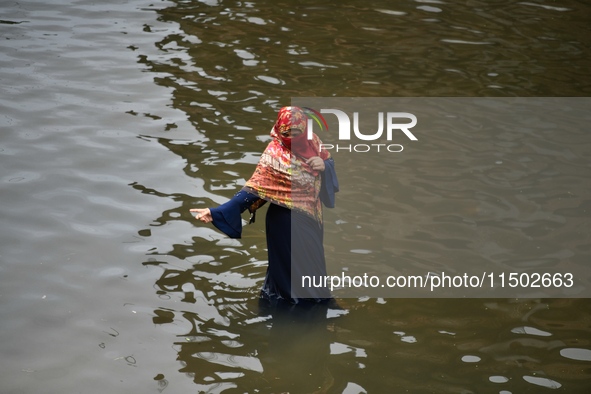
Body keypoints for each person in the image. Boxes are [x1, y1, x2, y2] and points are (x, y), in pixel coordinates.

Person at [191, 106, 338, 304]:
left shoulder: (315, 142)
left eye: (297, 133)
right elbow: (255, 188)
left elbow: (329, 162)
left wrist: (324, 165)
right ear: (279, 130)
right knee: (291, 269)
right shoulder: (274, 153)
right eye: (287, 134)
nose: (292, 138)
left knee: (314, 263)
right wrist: (216, 212)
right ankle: (302, 310)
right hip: (286, 221)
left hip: (312, 216)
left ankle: (310, 305)